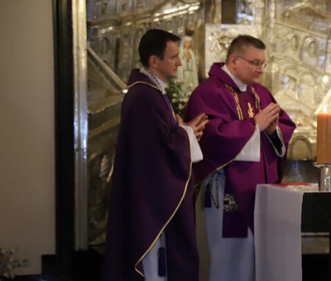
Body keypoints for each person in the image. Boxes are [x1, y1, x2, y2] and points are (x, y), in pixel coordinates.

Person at [184, 35, 295, 281]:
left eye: (263, 63)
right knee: (228, 259)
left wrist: (271, 131)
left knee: (255, 258)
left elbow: (282, 129)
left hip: (258, 191)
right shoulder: (208, 92)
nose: (261, 69)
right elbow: (212, 137)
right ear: (234, 60)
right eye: (255, 62)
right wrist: (254, 125)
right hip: (225, 188)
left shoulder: (261, 93)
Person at [104, 29, 208, 281]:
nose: (180, 62)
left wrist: (183, 130)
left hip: (151, 193)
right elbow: (155, 150)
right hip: (149, 200)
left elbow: (160, 138)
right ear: (154, 61)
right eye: (173, 57)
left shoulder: (152, 92)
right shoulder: (143, 96)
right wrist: (187, 134)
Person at [176, 36, 199, 104]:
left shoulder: (191, 52)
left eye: (189, 43)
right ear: (183, 43)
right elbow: (179, 64)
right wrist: (186, 60)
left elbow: (193, 65)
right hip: (184, 73)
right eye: (187, 42)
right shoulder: (181, 52)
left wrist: (190, 61)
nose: (188, 44)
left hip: (190, 73)